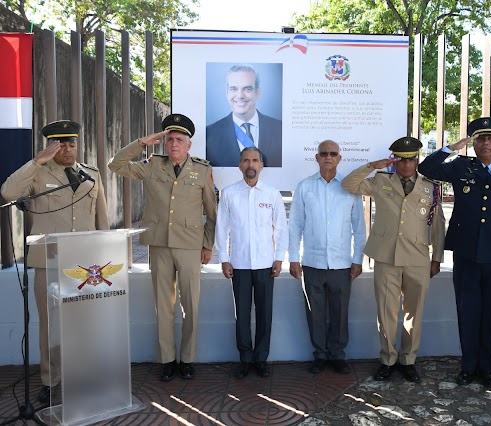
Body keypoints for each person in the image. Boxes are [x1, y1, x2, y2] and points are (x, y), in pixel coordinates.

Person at [418, 117, 491, 389]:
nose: (486, 144)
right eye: (480, 139)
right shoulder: (460, 166)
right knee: (467, 312)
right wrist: (452, 147)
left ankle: (488, 367)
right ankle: (468, 366)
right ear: (474, 142)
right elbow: (425, 167)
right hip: (467, 253)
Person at [1, 120, 108, 402]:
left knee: (84, 323)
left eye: (72, 144)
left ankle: (83, 374)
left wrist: (104, 257)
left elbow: (102, 222)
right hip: (48, 261)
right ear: (51, 147)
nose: (68, 150)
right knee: (51, 326)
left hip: (84, 267)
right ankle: (51, 380)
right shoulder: (37, 173)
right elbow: (9, 192)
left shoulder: (91, 174)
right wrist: (37, 161)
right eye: (61, 145)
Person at [108, 114, 217, 382]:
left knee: (190, 305)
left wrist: (207, 245)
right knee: (163, 305)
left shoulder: (202, 170)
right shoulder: (152, 165)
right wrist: (141, 143)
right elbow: (115, 165)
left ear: (189, 145)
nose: (173, 144)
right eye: (169, 139)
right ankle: (167, 359)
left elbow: (212, 213)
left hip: (190, 246)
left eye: (179, 140)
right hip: (159, 244)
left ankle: (188, 358)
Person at [342, 136, 444, 383]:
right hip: (386, 256)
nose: (406, 164)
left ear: (417, 159)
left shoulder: (430, 187)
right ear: (394, 160)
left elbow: (438, 224)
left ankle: (408, 360)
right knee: (386, 313)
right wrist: (372, 166)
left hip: (418, 257)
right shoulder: (380, 181)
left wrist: (437, 257)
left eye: (410, 159)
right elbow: (348, 184)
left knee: (414, 312)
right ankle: (388, 359)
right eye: (401, 159)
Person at [289, 140, 366, 374]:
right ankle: (320, 355)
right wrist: (293, 258)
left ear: (339, 158)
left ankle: (337, 354)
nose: (328, 157)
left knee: (340, 312)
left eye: (333, 154)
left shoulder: (349, 187)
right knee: (315, 313)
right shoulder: (304, 187)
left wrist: (357, 259)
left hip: (342, 263)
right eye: (324, 154)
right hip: (312, 262)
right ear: (317, 157)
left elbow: (359, 227)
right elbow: (295, 225)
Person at [215, 147, 288, 378]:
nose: (251, 164)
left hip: (266, 263)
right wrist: (224, 259)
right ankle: (245, 358)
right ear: (240, 165)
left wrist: (279, 257)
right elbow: (221, 229)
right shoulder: (228, 194)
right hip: (239, 264)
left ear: (262, 165)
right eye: (246, 160)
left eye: (255, 160)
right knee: (242, 314)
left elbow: (281, 229)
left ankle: (261, 359)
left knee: (265, 313)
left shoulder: (272, 194)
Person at [206, 65, 282, 167]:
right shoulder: (210, 135)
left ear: (258, 92)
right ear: (227, 92)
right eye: (234, 89)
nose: (240, 96)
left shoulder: (280, 129)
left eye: (247, 89)